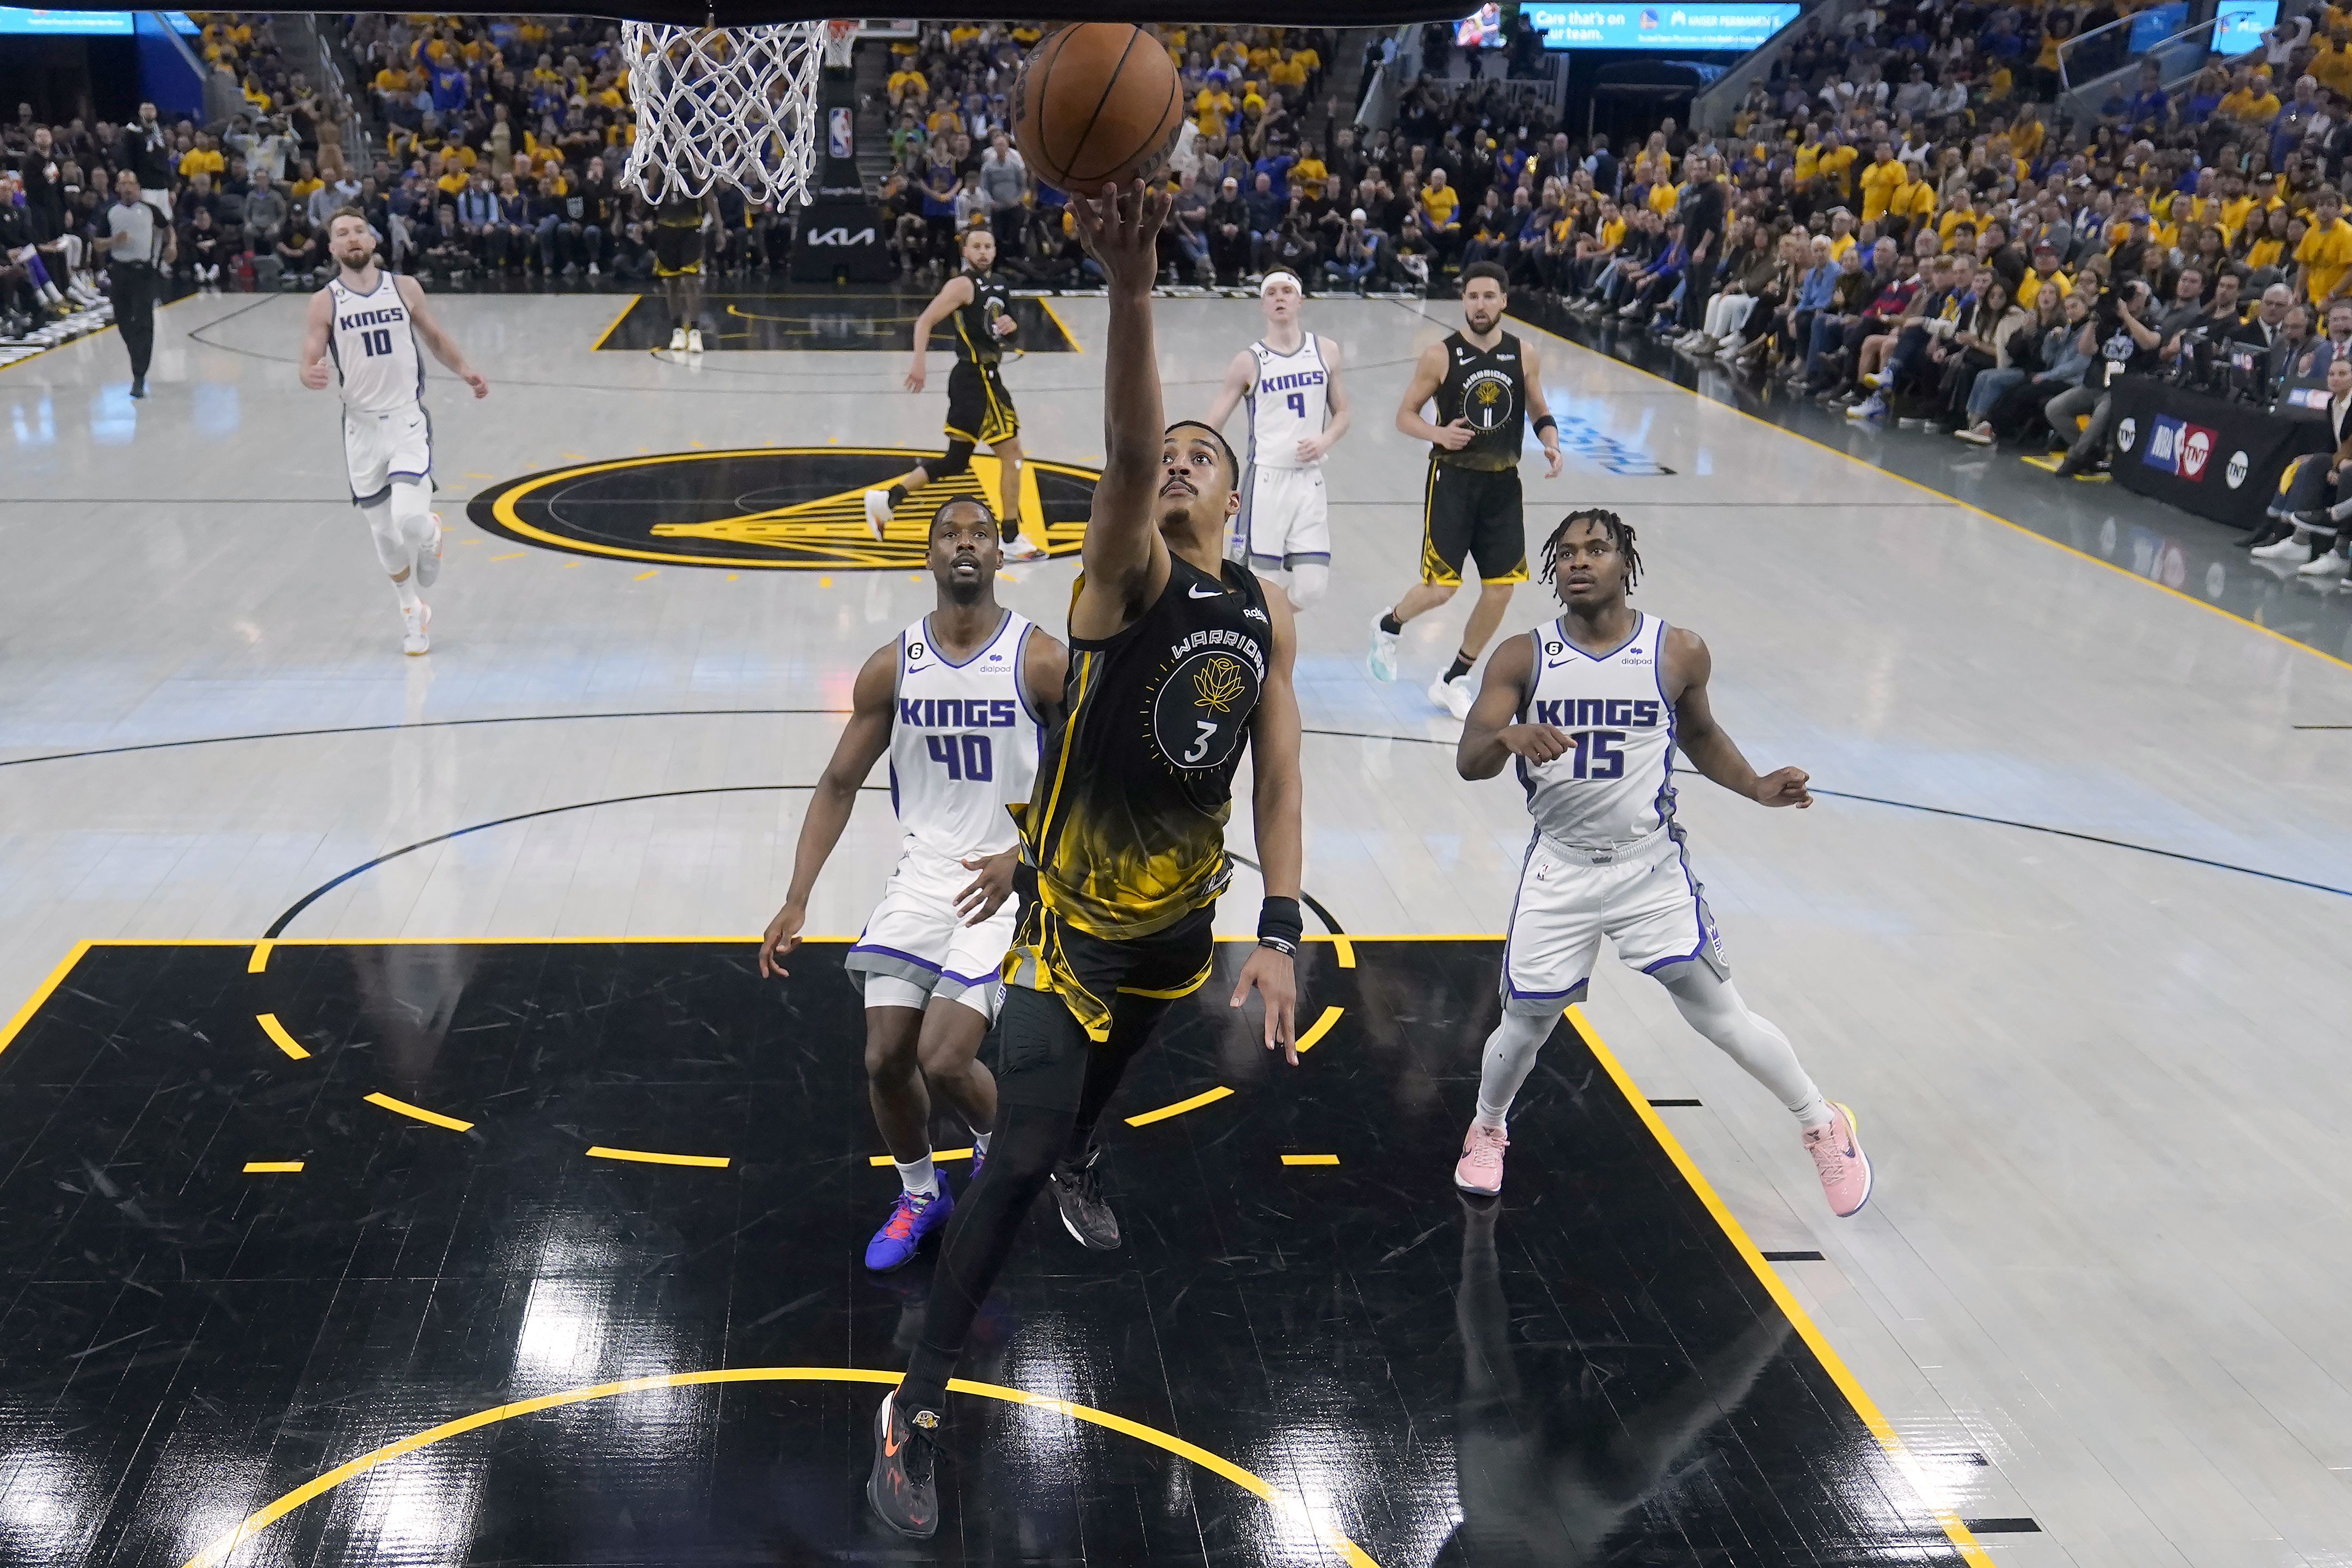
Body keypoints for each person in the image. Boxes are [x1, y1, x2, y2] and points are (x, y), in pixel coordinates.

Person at [865, 182, 1304, 1539]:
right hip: (1075, 931)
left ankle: (1076, 1156)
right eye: (1164, 455)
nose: (1175, 462)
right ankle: (917, 1404)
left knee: (1084, 1123)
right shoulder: (1126, 581)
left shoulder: (1263, 603)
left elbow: (1281, 769)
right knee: (1018, 1154)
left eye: (1198, 456)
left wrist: (1279, 926)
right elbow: (1119, 459)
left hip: (1183, 929)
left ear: (1233, 489)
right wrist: (1130, 291)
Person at [1450, 509, 1871, 1217]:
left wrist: (1759, 787)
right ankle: (1487, 1128)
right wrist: (1508, 735)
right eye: (1567, 553)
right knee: (1524, 1023)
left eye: (1596, 549)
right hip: (1562, 868)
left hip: (1650, 870)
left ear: (1626, 564)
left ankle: (1822, 1122)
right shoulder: (1522, 658)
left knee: (1720, 1017)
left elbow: (1701, 736)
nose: (1579, 562)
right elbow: (1469, 761)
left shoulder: (1676, 652)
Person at [758, 497, 1067, 1270]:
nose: (965, 545)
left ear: (1002, 555)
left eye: (981, 535)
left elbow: (1088, 785)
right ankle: (922, 1193)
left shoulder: (1040, 660)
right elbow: (836, 783)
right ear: (928, 557)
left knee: (946, 1057)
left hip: (1004, 884)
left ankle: (1009, 1156)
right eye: (949, 535)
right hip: (924, 875)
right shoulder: (893, 666)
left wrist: (1026, 865)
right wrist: (797, 896)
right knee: (884, 1058)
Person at [1366, 261, 1564, 718]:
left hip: (1503, 486)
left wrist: (1550, 444)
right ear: (1463, 301)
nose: (1480, 304)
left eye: (1488, 296)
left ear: (1503, 301)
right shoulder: (1440, 355)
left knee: (1501, 589)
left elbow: (1538, 409)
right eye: (1472, 296)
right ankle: (1388, 623)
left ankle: (1454, 677)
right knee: (1441, 589)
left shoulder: (1524, 353)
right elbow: (1405, 416)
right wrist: (1439, 435)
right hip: (1453, 481)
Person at [297, 207, 489, 655]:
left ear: (373, 239)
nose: (352, 239)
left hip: (405, 419)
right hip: (360, 430)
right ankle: (412, 613)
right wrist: (310, 376)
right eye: (341, 234)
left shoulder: (404, 288)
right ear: (332, 248)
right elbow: (308, 360)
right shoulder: (325, 301)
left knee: (408, 519)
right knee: (384, 535)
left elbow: (435, 337)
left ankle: (431, 533)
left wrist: (465, 370)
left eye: (358, 231)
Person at [863, 224, 1045, 561]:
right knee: (1013, 454)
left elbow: (1007, 329)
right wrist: (919, 362)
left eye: (988, 246)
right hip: (976, 378)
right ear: (965, 251)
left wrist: (1011, 328)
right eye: (976, 246)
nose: (983, 252)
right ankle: (1010, 536)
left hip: (981, 379)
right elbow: (924, 321)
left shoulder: (1001, 285)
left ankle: (888, 499)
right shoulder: (962, 285)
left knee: (956, 461)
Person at [1199, 269, 1352, 611]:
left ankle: (1266, 628)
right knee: (1256, 583)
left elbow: (1343, 413)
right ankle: (1254, 646)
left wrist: (1326, 440)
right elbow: (1212, 426)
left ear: (1300, 300)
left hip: (1310, 482)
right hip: (1266, 481)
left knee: (1312, 588)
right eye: (1271, 293)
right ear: (1263, 305)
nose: (1280, 298)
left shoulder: (1326, 351)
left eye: (1287, 291)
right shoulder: (1249, 361)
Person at [102, 169, 170, 399]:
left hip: (144, 272)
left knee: (143, 320)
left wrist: (172, 246)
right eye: (124, 184)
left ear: (138, 187)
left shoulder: (150, 210)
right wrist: (113, 241)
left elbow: (167, 227)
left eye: (132, 183)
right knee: (123, 320)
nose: (129, 188)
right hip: (120, 272)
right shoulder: (110, 212)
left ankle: (139, 375)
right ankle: (137, 353)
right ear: (118, 188)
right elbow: (97, 243)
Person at [649, 188, 716, 352]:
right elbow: (651, 190)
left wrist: (719, 227)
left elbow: (708, 194)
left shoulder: (695, 164)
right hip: (666, 227)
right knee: (671, 284)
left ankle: (694, 331)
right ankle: (677, 330)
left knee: (691, 281)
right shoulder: (659, 164)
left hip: (691, 228)